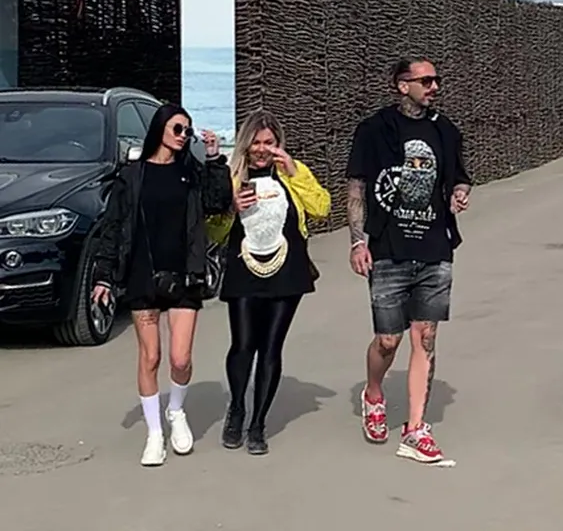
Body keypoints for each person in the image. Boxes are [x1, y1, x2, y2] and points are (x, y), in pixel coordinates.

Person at [91, 103, 232, 467]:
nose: (184, 135)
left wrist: (215, 159)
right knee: (150, 357)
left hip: (184, 274)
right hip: (143, 274)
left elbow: (218, 203)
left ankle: (176, 411)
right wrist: (104, 275)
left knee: (180, 359)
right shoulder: (132, 176)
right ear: (160, 129)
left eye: (188, 130)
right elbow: (112, 227)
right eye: (177, 128)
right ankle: (154, 434)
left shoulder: (190, 173)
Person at [346, 56, 471, 465]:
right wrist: (358, 242)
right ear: (402, 85)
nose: (435, 87)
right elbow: (356, 189)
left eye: (437, 80)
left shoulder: (445, 130)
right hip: (388, 249)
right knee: (388, 340)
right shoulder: (374, 130)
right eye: (426, 80)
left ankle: (415, 429)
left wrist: (459, 193)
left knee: (426, 337)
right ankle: (374, 394)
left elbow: (460, 177)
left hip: (435, 248)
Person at [207, 110, 331, 455]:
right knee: (243, 343)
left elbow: (322, 208)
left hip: (287, 270)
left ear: (278, 144)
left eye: (269, 142)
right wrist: (231, 207)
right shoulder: (232, 176)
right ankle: (237, 409)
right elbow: (213, 231)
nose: (262, 149)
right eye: (256, 142)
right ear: (245, 145)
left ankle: (258, 423)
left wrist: (294, 173)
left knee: (271, 347)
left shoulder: (293, 171)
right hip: (243, 267)